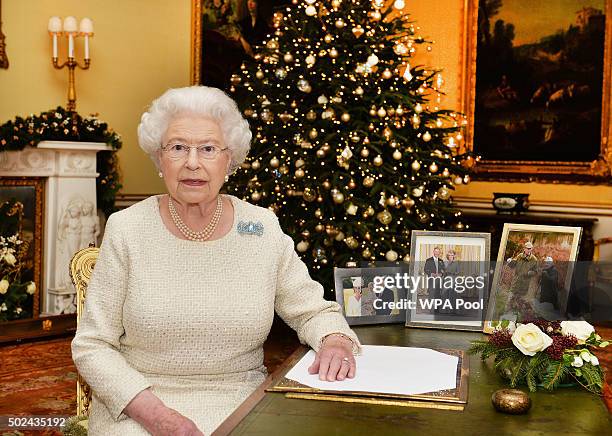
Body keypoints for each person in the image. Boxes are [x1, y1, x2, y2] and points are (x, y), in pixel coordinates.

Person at [71, 86, 361, 435]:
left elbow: (314, 311)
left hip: (242, 402)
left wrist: (335, 340)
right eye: (178, 147)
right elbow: (92, 345)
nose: (192, 162)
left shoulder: (260, 228)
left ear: (230, 160)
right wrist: (159, 417)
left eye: (208, 149)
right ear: (159, 158)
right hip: (139, 408)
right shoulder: (127, 229)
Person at [423, 247, 445, 314]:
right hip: (432, 280)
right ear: (433, 252)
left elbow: (444, 270)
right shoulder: (428, 260)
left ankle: (437, 309)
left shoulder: (441, 261)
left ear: (439, 253)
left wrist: (441, 274)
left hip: (439, 281)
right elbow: (425, 269)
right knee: (432, 295)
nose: (437, 253)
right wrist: (431, 274)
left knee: (438, 295)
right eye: (436, 251)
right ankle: (432, 310)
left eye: (438, 252)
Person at [442, 249, 460, 315]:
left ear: (454, 256)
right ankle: (445, 310)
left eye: (452, 255)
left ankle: (451, 310)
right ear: (448, 256)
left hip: (452, 279)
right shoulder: (445, 263)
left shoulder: (456, 263)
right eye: (449, 255)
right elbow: (443, 272)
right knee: (445, 294)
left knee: (452, 295)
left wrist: (451, 273)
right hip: (446, 280)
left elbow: (458, 272)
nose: (450, 256)